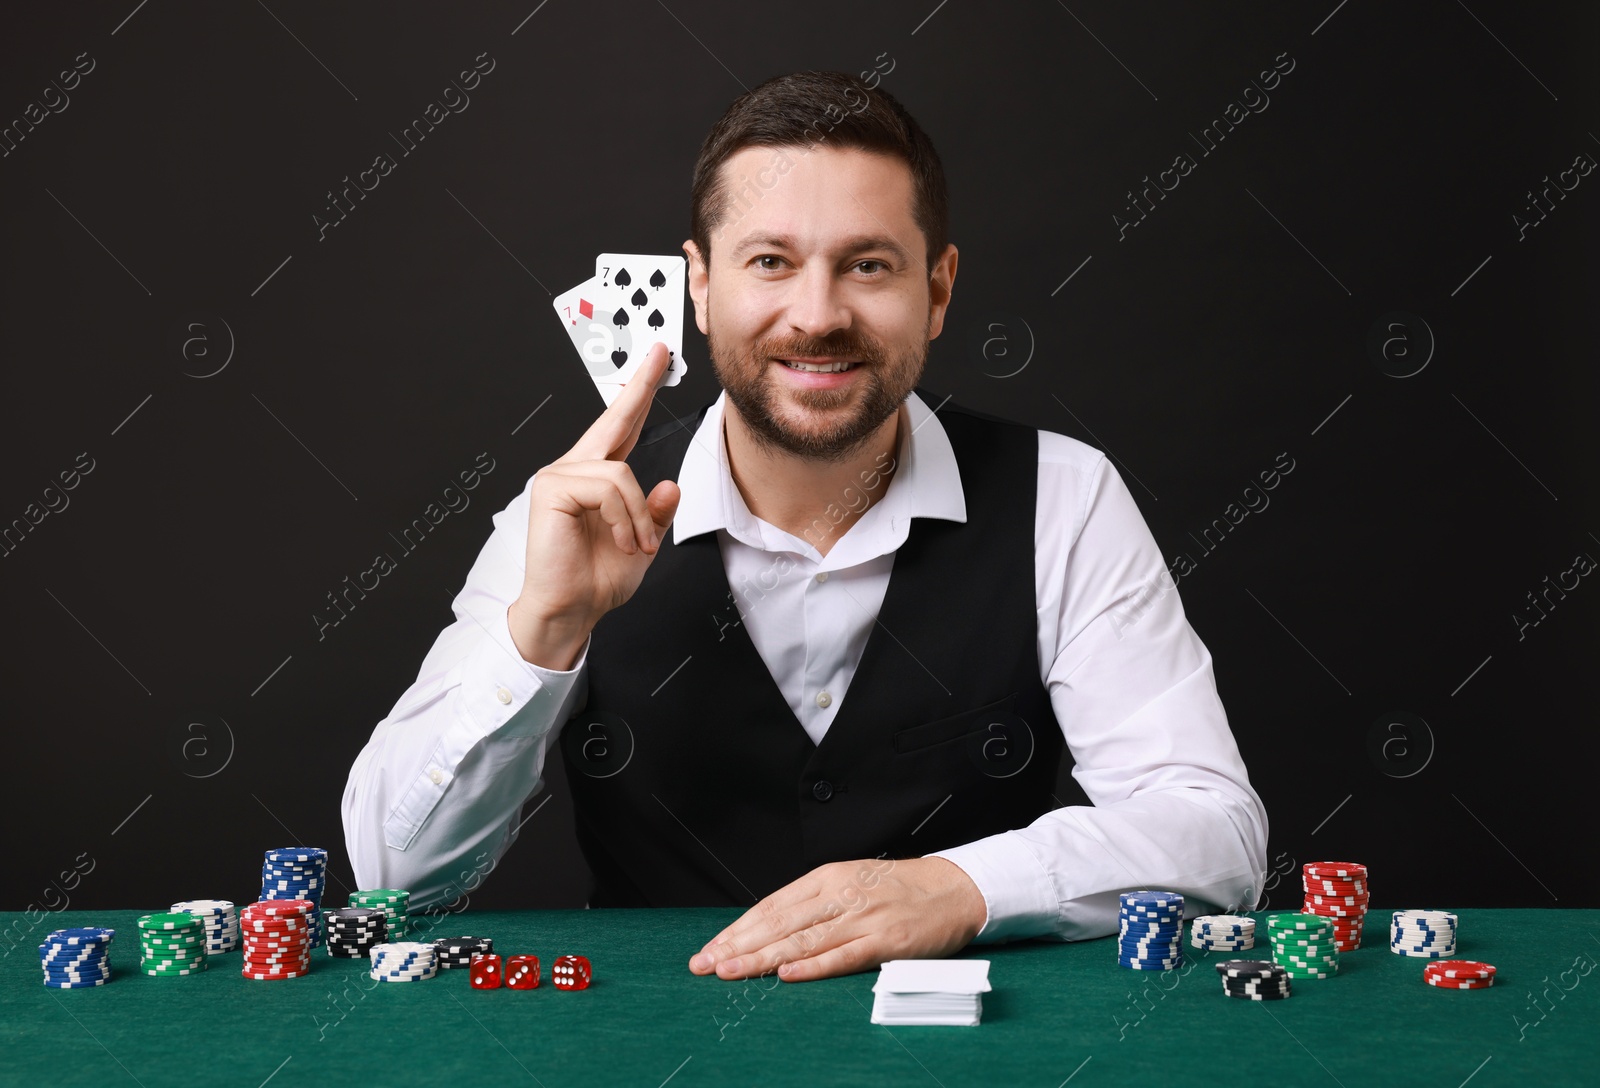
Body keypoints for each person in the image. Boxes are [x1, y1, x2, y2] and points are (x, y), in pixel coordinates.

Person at [343, 70, 1268, 984]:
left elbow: (1216, 833)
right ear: (700, 288)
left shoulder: (1063, 495)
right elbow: (394, 879)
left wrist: (960, 888)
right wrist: (539, 637)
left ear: (938, 289)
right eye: (770, 262)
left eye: (868, 265)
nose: (818, 316)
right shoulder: (570, 514)